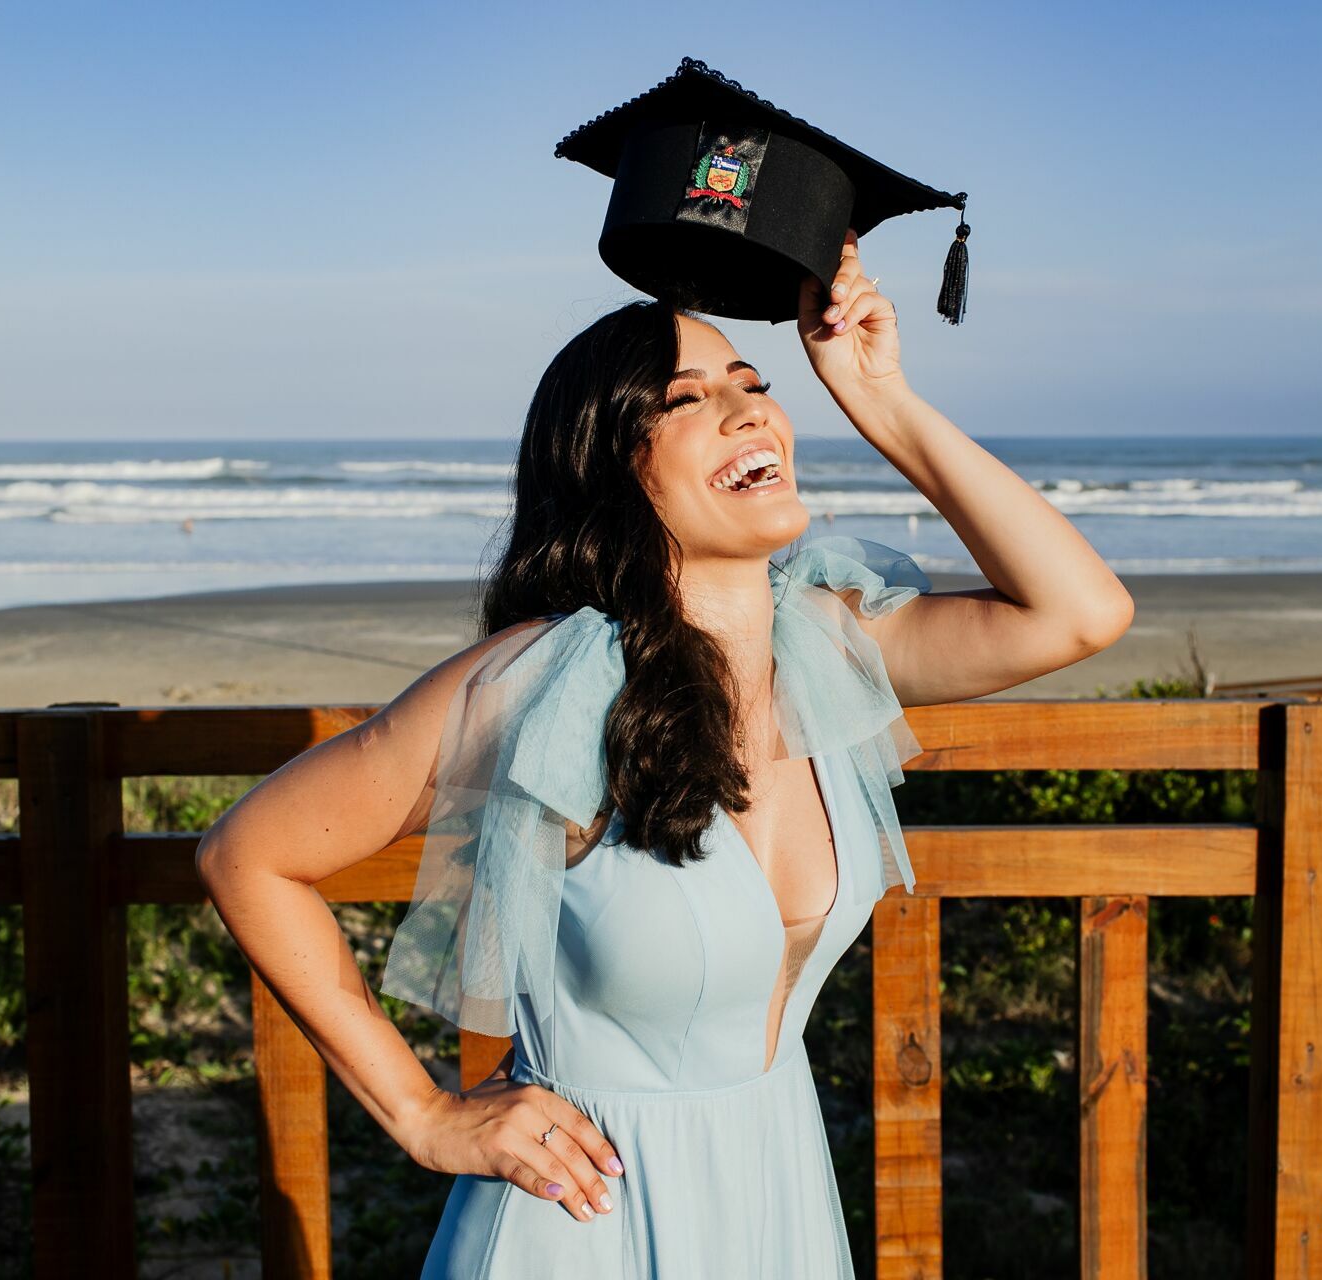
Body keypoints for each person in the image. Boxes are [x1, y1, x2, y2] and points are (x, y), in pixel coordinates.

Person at [196, 239, 1135, 1277]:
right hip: (583, 1220)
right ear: (609, 462)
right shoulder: (539, 687)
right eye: (686, 399)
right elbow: (249, 853)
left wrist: (882, 397)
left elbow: (1083, 612)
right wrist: (423, 1113)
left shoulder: (826, 646)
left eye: (754, 383)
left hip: (775, 1191)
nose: (749, 411)